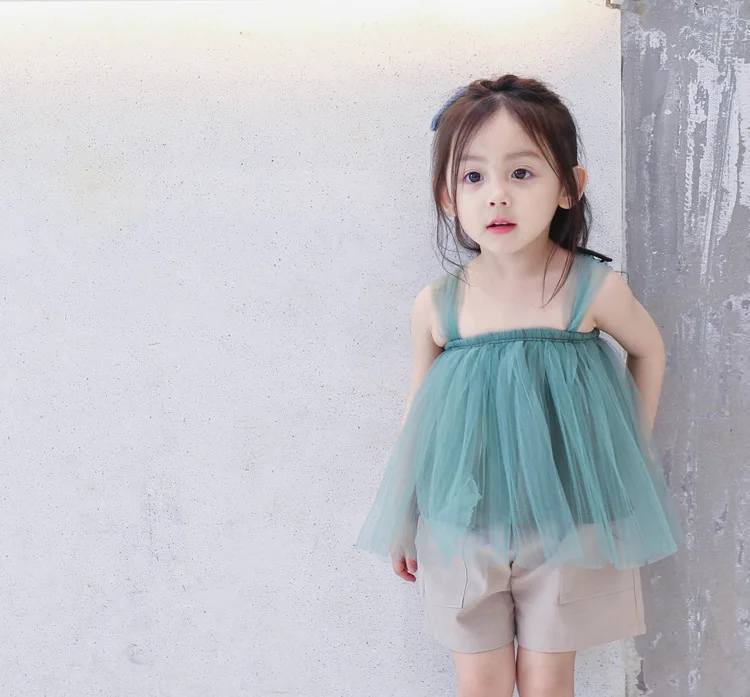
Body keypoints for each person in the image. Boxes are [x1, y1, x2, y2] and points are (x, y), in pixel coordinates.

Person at [355, 75, 684, 697]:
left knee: (547, 680)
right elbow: (419, 411)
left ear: (569, 187)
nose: (497, 195)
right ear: (447, 196)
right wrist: (403, 514)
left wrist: (623, 456)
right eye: (473, 176)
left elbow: (649, 350)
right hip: (462, 522)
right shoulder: (438, 305)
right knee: (479, 682)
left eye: (522, 173)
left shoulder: (591, 289)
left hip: (567, 520)